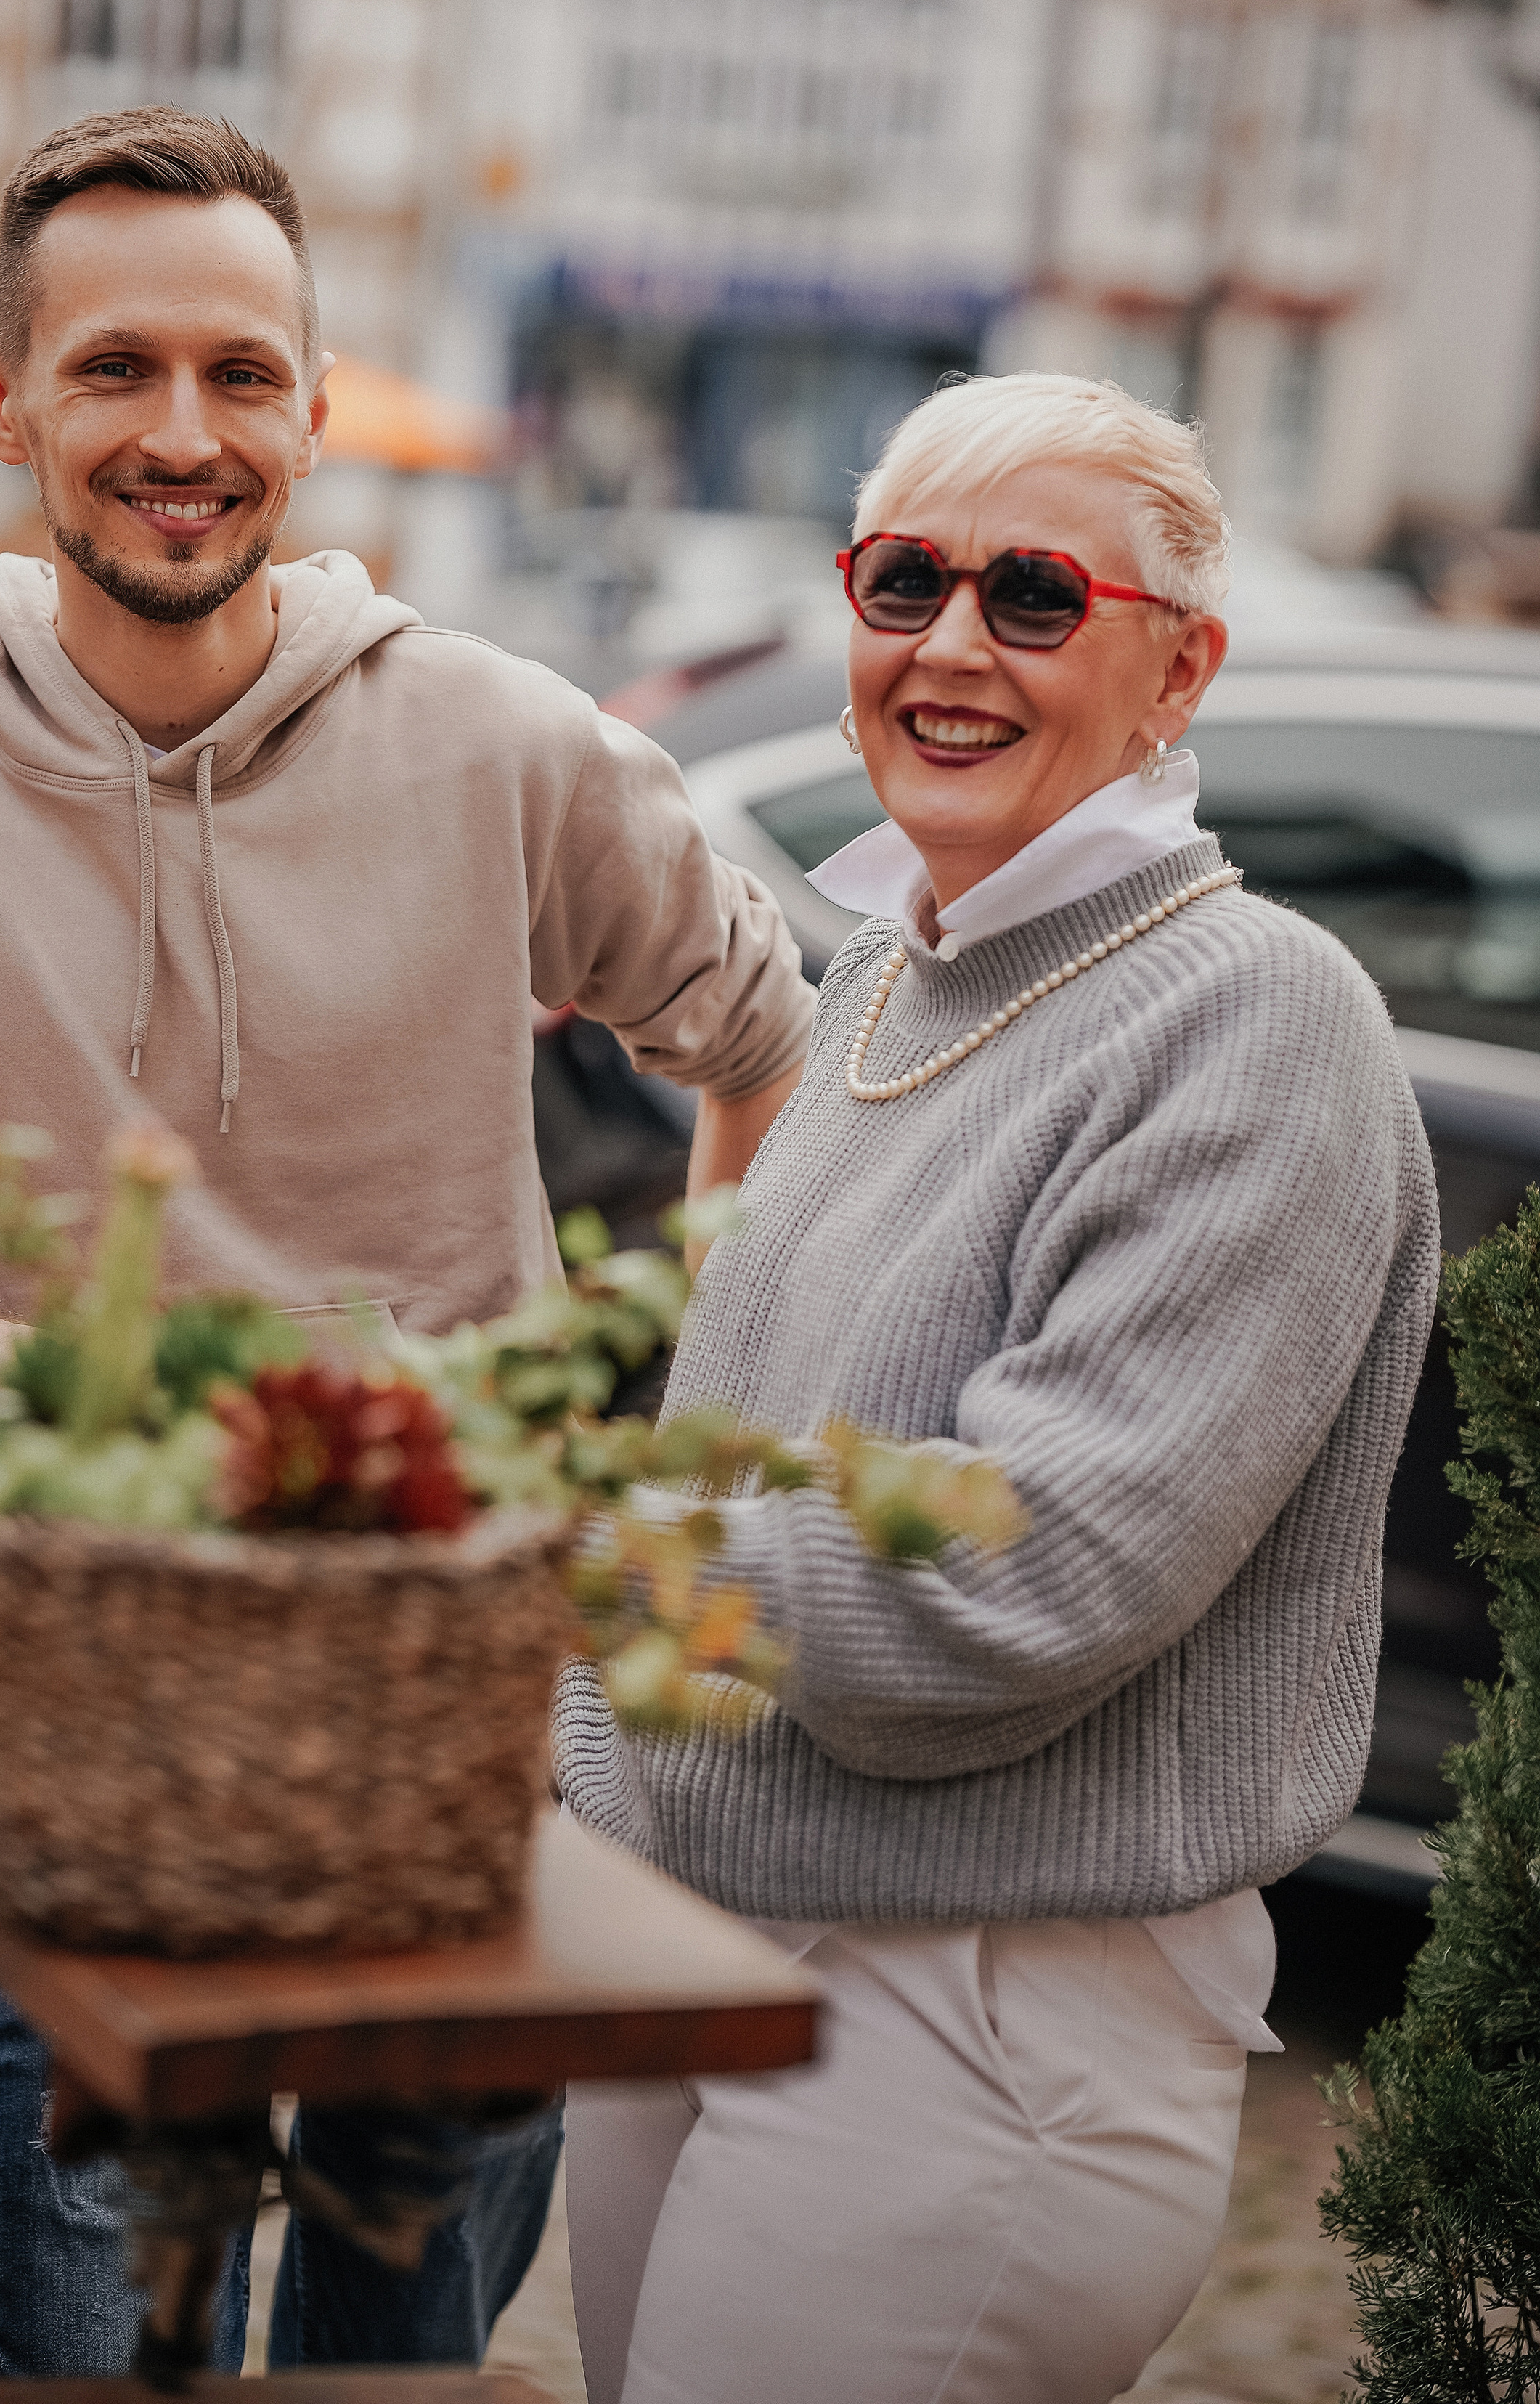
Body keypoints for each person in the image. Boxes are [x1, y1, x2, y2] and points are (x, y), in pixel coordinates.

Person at [0, 107, 812, 2377]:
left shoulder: (511, 746)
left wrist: (676, 1402)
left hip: (464, 1727)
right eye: (112, 372)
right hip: (99, 1711)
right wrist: (116, 1390)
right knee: (102, 2363)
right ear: (4, 401)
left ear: (307, 401)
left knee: (395, 2364)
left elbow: (765, 1039)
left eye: (239, 373)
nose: (180, 436)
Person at [555, 372, 1441, 2404]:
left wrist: (568, 1563)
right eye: (904, 580)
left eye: (1037, 595)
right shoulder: (895, 967)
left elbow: (1016, 1588)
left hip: (981, 2030)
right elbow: (754, 1436)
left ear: (1178, 670)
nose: (951, 646)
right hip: (709, 1937)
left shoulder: (1256, 1020)